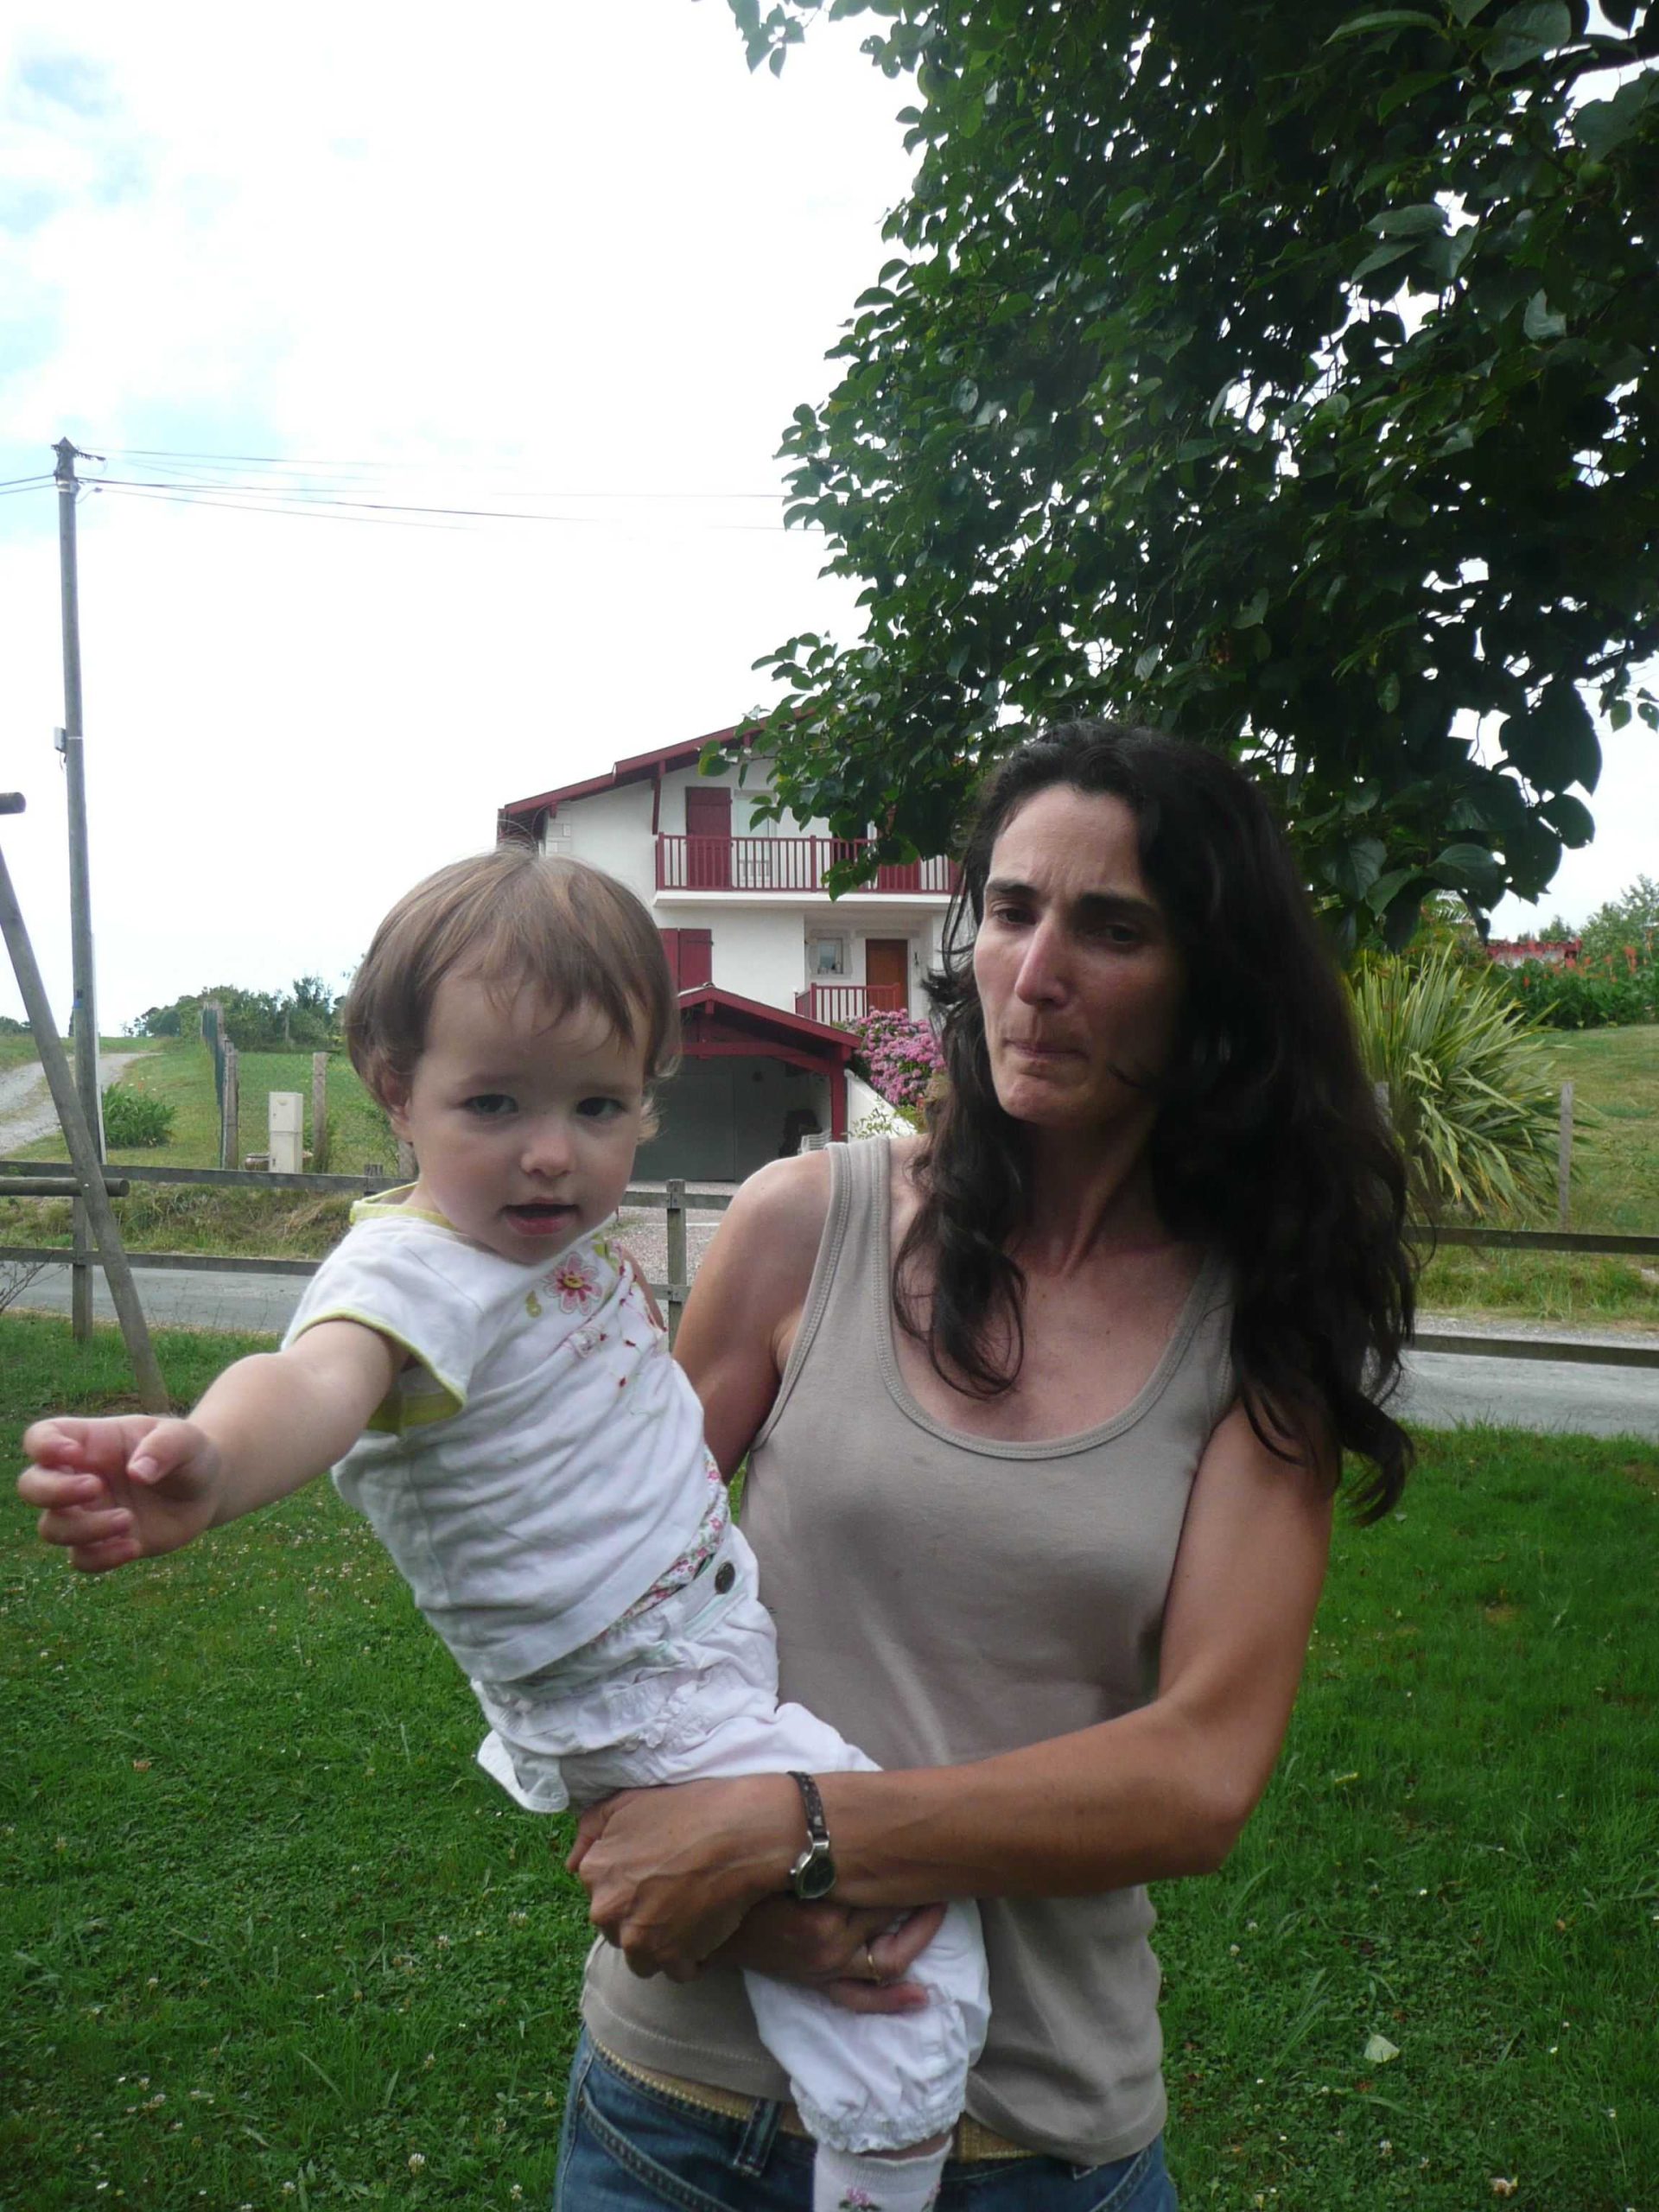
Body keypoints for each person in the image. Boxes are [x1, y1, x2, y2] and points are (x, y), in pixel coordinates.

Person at [16, 849, 990, 2212]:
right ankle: (880, 2179)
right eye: (494, 1103)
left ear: (646, 1099)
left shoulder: (543, 1242)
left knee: (841, 1928)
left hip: (681, 1662)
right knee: (922, 1950)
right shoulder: (415, 1269)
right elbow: (315, 1379)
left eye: (597, 1106)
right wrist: (217, 1462)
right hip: (643, 1696)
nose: (550, 1151)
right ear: (393, 1088)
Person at [555, 719, 1416, 2210]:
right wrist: (697, 1885)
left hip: (1034, 2144)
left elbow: (1201, 1774)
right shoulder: (801, 1226)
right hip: (684, 2114)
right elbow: (591, 1606)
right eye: (1012, 911)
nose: (1037, 971)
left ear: (1215, 978)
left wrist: (796, 1839)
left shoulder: (1259, 1329)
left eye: (1114, 929)